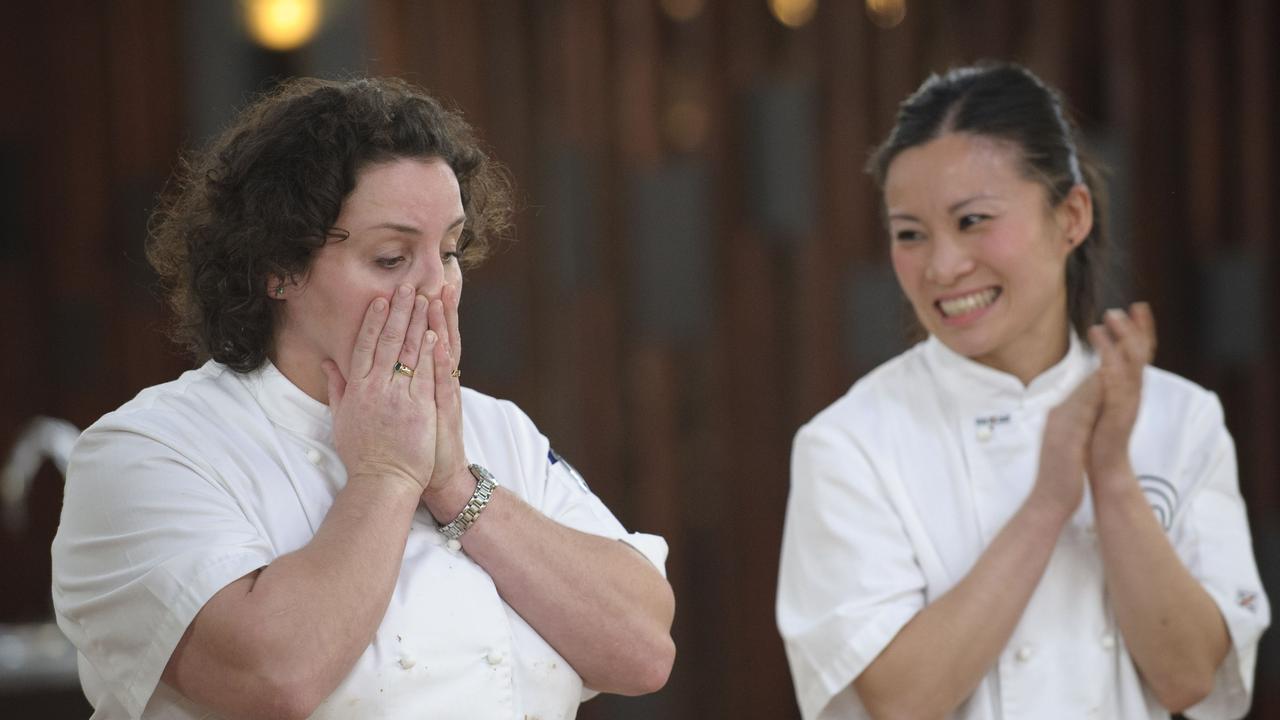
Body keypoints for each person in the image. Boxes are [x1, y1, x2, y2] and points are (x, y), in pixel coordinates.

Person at [51, 76, 675, 720]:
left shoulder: (497, 429)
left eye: (451, 252)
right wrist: (387, 473)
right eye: (390, 258)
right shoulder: (150, 452)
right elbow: (275, 676)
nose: (437, 287)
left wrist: (456, 485)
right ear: (277, 267)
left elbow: (644, 651)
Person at [776, 63, 1269, 720]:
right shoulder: (849, 444)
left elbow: (1187, 678)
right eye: (910, 234)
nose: (943, 266)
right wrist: (1048, 502)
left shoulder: (1181, 418)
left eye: (973, 220)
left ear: (1071, 216)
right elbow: (901, 698)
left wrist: (1112, 475)